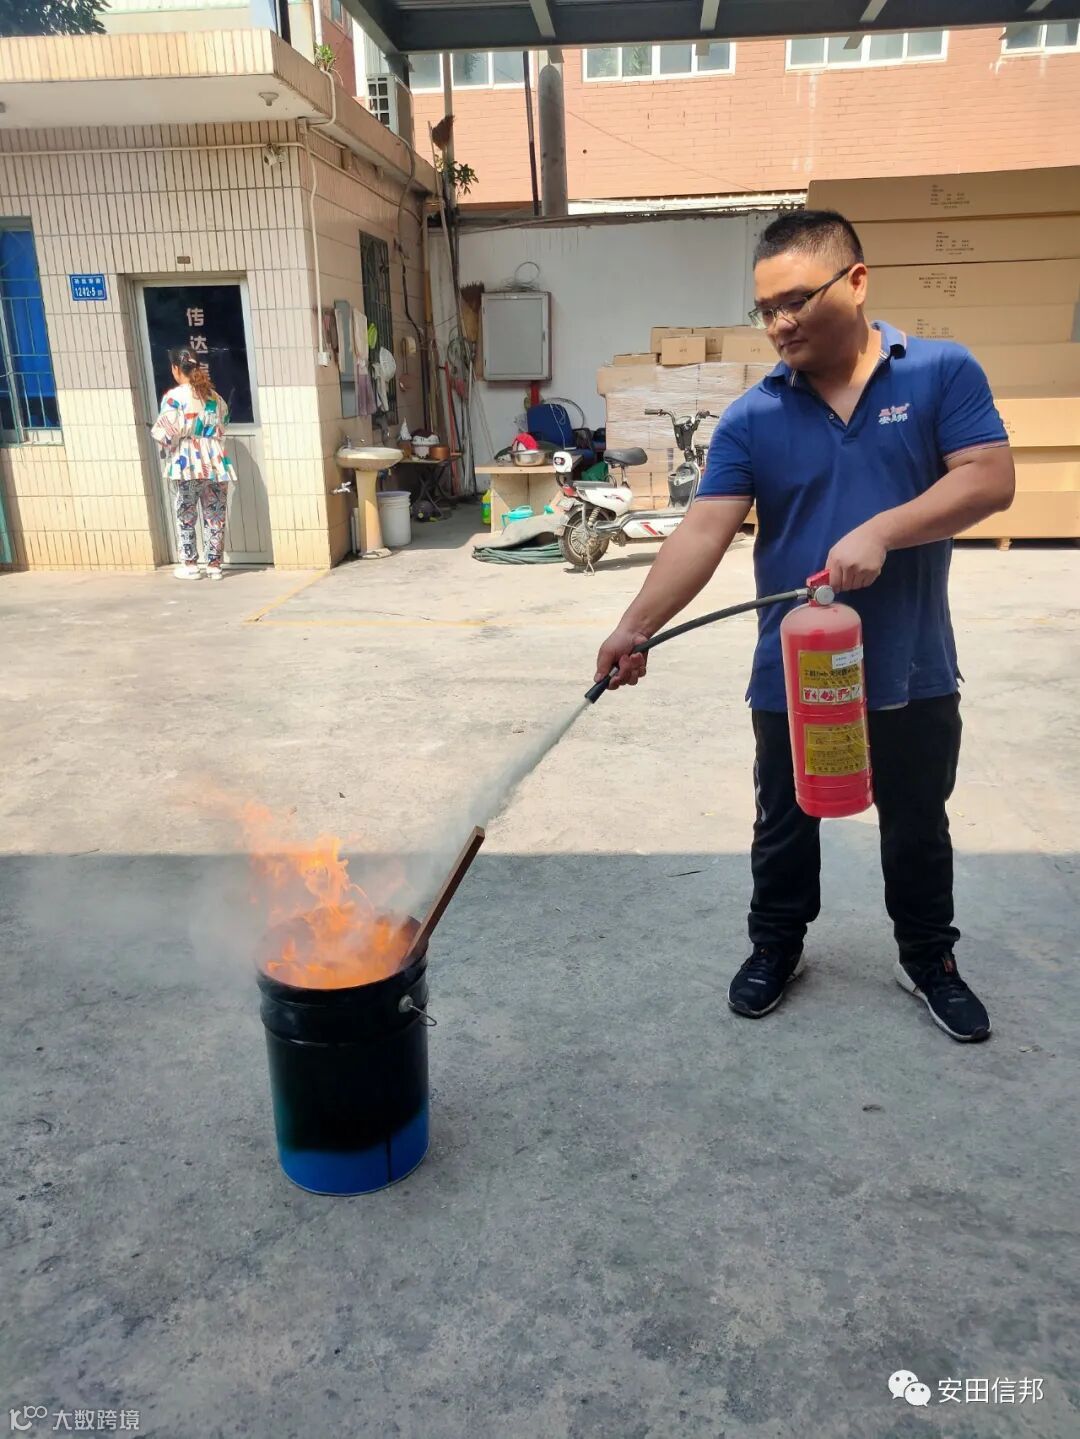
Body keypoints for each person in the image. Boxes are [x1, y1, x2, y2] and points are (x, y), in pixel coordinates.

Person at [595, 211, 1014, 1043]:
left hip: (911, 664)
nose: (779, 323)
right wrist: (633, 625)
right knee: (785, 819)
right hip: (795, 668)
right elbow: (703, 530)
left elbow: (989, 478)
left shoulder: (939, 372)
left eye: (795, 300)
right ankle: (776, 945)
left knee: (917, 819)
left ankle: (928, 956)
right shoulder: (753, 416)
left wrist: (882, 530)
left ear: (855, 282)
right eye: (765, 309)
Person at [151, 349, 235, 579]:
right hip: (215, 459)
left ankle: (190, 565)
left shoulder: (174, 397)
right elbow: (224, 421)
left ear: (176, 368)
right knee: (215, 513)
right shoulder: (214, 396)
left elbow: (166, 432)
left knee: (185, 512)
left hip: (187, 459)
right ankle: (214, 565)